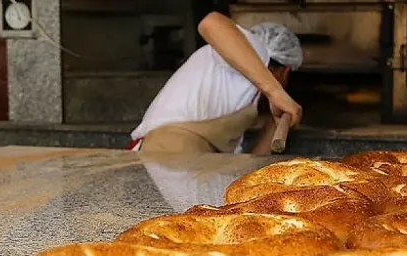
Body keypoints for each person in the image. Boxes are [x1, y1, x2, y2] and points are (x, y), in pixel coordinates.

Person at [129, 13, 303, 155]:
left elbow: (252, 161)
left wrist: (273, 126)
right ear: (285, 71)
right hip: (169, 150)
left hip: (194, 157)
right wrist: (276, 92)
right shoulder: (257, 50)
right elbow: (211, 22)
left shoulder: (243, 97)